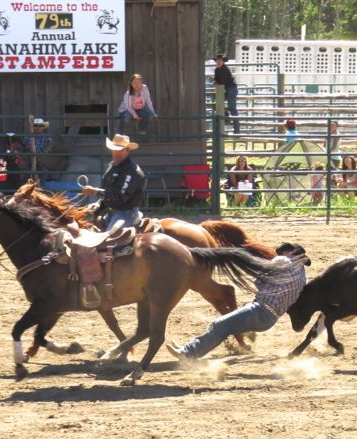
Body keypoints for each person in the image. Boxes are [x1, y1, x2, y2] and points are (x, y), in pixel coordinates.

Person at [165, 242, 309, 361]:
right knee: (232, 324)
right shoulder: (303, 278)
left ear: (290, 252)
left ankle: (187, 353)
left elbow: (259, 280)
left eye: (282, 252)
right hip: (270, 320)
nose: (280, 255)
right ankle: (246, 332)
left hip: (259, 310)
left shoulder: (283, 260)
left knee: (219, 325)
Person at [81, 134, 146, 230]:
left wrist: (96, 192)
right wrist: (99, 203)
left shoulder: (132, 171)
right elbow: (109, 191)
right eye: (114, 149)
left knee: (109, 239)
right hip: (113, 211)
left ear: (127, 150)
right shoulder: (112, 166)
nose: (116, 152)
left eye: (119, 150)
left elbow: (118, 197)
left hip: (126, 213)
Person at [213, 54, 240, 134]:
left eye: (220, 61)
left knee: (232, 108)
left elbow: (222, 80)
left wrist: (217, 83)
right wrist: (215, 82)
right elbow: (217, 80)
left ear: (223, 62)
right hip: (225, 89)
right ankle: (226, 117)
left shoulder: (225, 69)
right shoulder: (217, 70)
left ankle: (237, 130)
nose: (218, 62)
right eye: (217, 61)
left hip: (231, 89)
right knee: (217, 104)